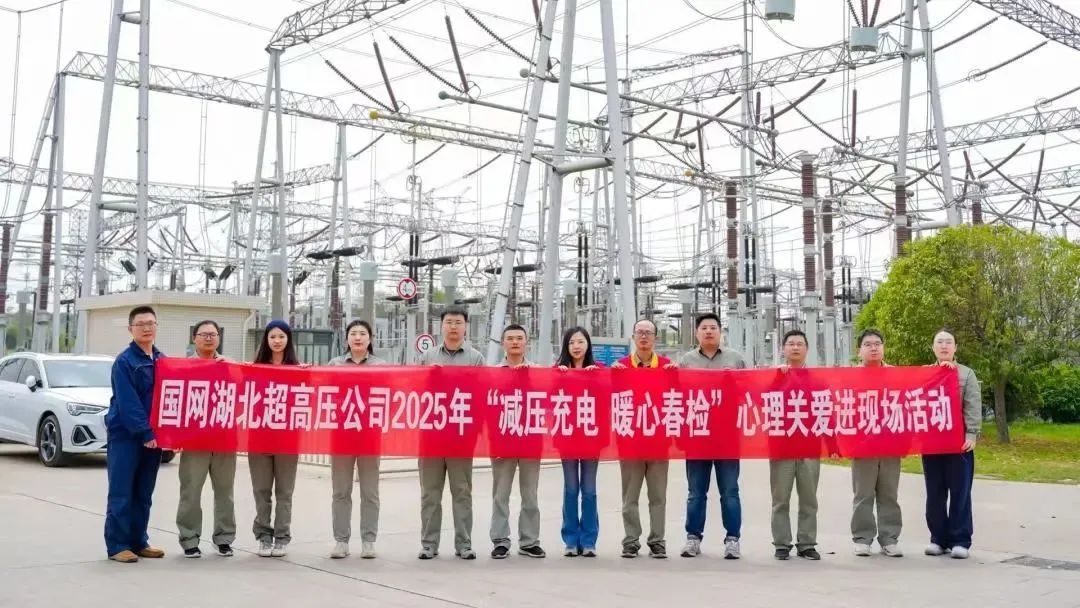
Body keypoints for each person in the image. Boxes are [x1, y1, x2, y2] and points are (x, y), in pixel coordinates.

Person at [676, 313, 748, 560]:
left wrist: (733, 382)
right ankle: (693, 538)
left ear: (720, 332)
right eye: (704, 328)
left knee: (730, 491)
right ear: (697, 333)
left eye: (713, 327)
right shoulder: (686, 361)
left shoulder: (735, 359)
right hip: (697, 435)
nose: (708, 331)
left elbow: (750, 392)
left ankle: (733, 539)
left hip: (727, 435)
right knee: (696, 492)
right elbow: (677, 395)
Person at [417, 307, 485, 560]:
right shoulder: (427, 357)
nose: (453, 326)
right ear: (441, 326)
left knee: (462, 491)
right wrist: (429, 377)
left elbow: (480, 394)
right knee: (430, 493)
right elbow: (414, 391)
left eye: (458, 322)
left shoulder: (475, 358)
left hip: (461, 434)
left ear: (466, 326)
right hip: (431, 435)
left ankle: (464, 544)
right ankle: (428, 544)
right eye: (448, 322)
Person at [104, 305, 166, 563]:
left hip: (153, 437)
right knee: (122, 491)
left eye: (151, 323)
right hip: (126, 436)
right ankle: (117, 545)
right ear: (131, 329)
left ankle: (139, 541)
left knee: (143, 492)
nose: (146, 328)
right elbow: (128, 403)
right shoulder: (125, 361)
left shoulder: (162, 360)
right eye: (140, 324)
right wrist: (145, 432)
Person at [611, 318, 676, 558]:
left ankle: (657, 540)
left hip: (659, 442)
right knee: (630, 496)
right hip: (630, 442)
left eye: (648, 332)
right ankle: (631, 540)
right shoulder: (621, 367)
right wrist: (612, 377)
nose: (644, 336)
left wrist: (676, 377)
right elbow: (606, 396)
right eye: (640, 332)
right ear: (633, 337)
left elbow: (680, 397)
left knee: (658, 496)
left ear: (655, 338)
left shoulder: (667, 367)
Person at [176, 320, 236, 558]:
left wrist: (232, 370)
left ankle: (224, 538)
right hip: (195, 440)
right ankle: (189, 538)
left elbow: (247, 390)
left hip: (224, 439)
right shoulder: (183, 367)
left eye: (213, 334)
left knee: (225, 491)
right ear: (194, 338)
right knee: (191, 491)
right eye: (204, 334)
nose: (209, 338)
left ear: (219, 338)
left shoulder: (230, 365)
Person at [328, 320, 385, 560]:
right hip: (341, 435)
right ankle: (341, 541)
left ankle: (368, 541)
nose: (358, 337)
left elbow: (392, 394)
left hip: (370, 435)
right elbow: (323, 392)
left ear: (370, 339)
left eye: (363, 333)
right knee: (341, 491)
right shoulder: (335, 364)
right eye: (353, 333)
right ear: (347, 339)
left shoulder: (381, 366)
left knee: (370, 491)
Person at [923, 329, 982, 559]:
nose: (944, 345)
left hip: (959, 444)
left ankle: (960, 540)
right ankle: (938, 538)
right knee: (934, 493)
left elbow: (972, 405)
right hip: (932, 444)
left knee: (960, 492)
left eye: (949, 342)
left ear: (955, 348)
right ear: (933, 348)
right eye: (940, 342)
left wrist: (972, 434)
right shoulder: (924, 373)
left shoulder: (966, 374)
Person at [489, 324, 545, 559]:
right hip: (502, 440)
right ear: (503, 343)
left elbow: (548, 400)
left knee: (530, 493)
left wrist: (528, 377)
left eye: (519, 338)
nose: (514, 342)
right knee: (501, 494)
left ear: (526, 342)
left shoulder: (538, 372)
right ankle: (500, 540)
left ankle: (529, 541)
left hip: (531, 439)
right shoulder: (493, 373)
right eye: (510, 338)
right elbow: (489, 405)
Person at [249, 319, 301, 558]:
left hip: (287, 439)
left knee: (284, 491)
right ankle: (263, 536)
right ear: (266, 340)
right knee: (261, 490)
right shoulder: (254, 368)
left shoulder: (298, 369)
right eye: (272, 337)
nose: (277, 341)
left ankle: (282, 537)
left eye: (281, 336)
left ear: (288, 339)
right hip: (259, 437)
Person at [770, 329, 822, 561]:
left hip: (809, 448)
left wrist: (832, 444)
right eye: (791, 343)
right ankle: (782, 543)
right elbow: (761, 403)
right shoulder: (774, 377)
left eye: (800, 344)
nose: (795, 347)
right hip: (782, 448)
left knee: (809, 499)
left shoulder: (816, 379)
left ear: (806, 349)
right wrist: (777, 379)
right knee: (780, 498)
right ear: (783, 349)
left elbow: (826, 412)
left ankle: (807, 543)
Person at [851, 328, 903, 557]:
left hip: (891, 445)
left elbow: (908, 407)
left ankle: (889, 539)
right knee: (863, 494)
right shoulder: (849, 377)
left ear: (883, 348)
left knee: (889, 494)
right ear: (859, 350)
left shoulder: (896, 376)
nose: (873, 348)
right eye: (868, 344)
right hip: (863, 446)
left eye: (877, 344)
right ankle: (862, 538)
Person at [556, 326, 603, 557]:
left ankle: (589, 540)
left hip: (592, 438)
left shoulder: (599, 370)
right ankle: (571, 540)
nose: (576, 346)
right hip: (567, 438)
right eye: (572, 342)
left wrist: (597, 379)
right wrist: (559, 378)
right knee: (571, 489)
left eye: (580, 342)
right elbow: (547, 399)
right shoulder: (558, 371)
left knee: (590, 490)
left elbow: (610, 396)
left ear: (588, 345)